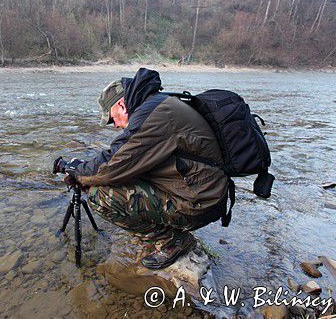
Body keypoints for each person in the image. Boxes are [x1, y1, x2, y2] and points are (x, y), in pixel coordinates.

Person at [55, 68, 229, 269]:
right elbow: (129, 164)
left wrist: (78, 174)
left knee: (100, 196)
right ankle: (168, 232)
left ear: (121, 104)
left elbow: (113, 164)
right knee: (113, 182)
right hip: (203, 193)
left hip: (199, 202)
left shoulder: (152, 115)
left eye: (112, 119)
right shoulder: (157, 105)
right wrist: (85, 175)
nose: (115, 126)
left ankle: (173, 242)